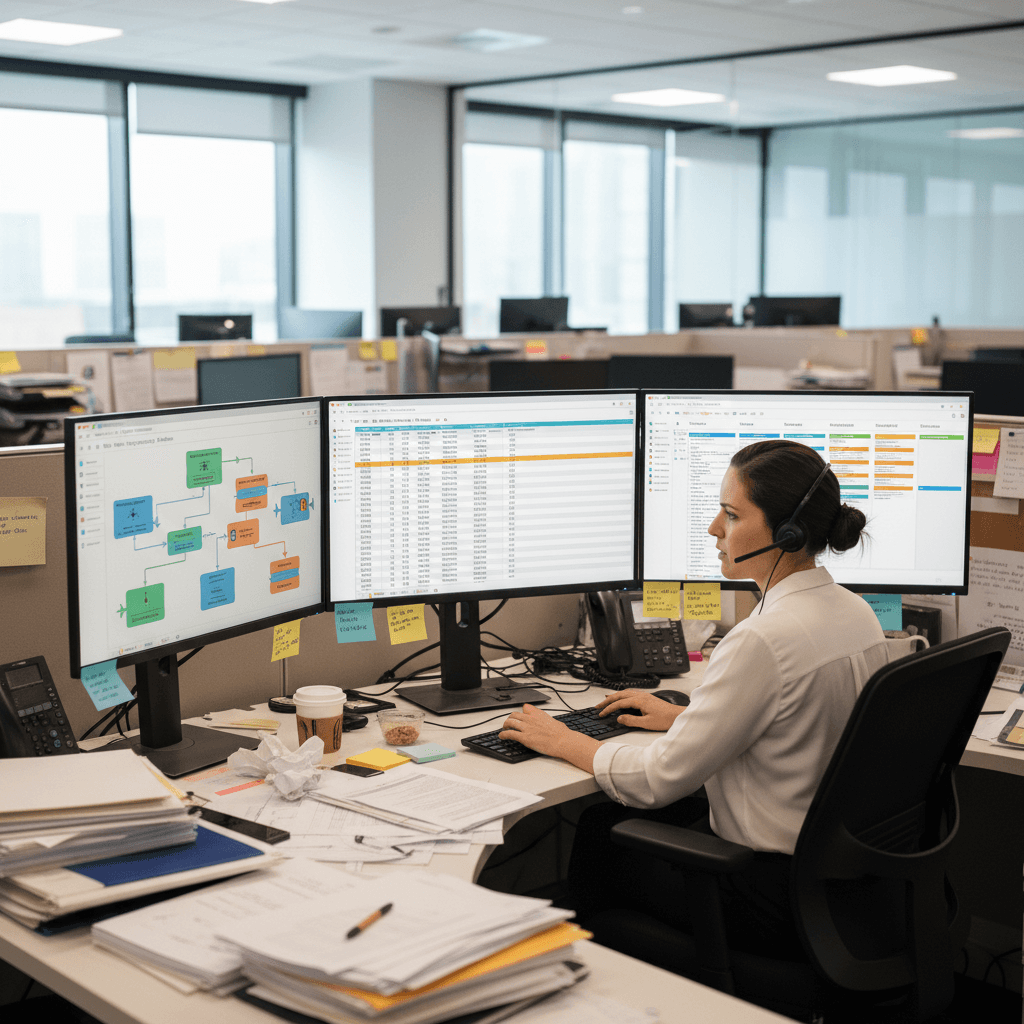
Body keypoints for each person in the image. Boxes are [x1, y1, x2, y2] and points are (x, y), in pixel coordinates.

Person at [497, 439, 894, 955]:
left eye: (731, 514)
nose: (714, 529)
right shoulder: (852, 611)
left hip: (765, 893)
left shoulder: (761, 639)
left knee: (600, 830)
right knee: (610, 824)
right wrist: (683, 717)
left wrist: (563, 739)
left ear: (788, 531)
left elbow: (657, 780)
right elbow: (796, 723)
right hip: (837, 882)